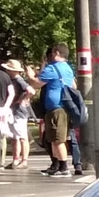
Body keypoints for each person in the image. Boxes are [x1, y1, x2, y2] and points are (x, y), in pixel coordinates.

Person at [36, 43, 81, 174]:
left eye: (52, 54)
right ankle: (60, 166)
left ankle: (64, 168)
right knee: (55, 139)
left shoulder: (53, 68)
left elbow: (36, 83)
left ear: (56, 53)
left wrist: (30, 75)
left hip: (57, 109)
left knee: (57, 139)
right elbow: (73, 86)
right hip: (62, 107)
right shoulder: (67, 68)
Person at [0, 55, 35, 173]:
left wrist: (23, 99)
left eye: (8, 69)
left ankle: (23, 160)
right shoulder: (12, 80)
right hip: (15, 111)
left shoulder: (19, 80)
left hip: (19, 111)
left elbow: (31, 91)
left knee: (21, 137)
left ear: (11, 70)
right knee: (15, 136)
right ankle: (16, 159)